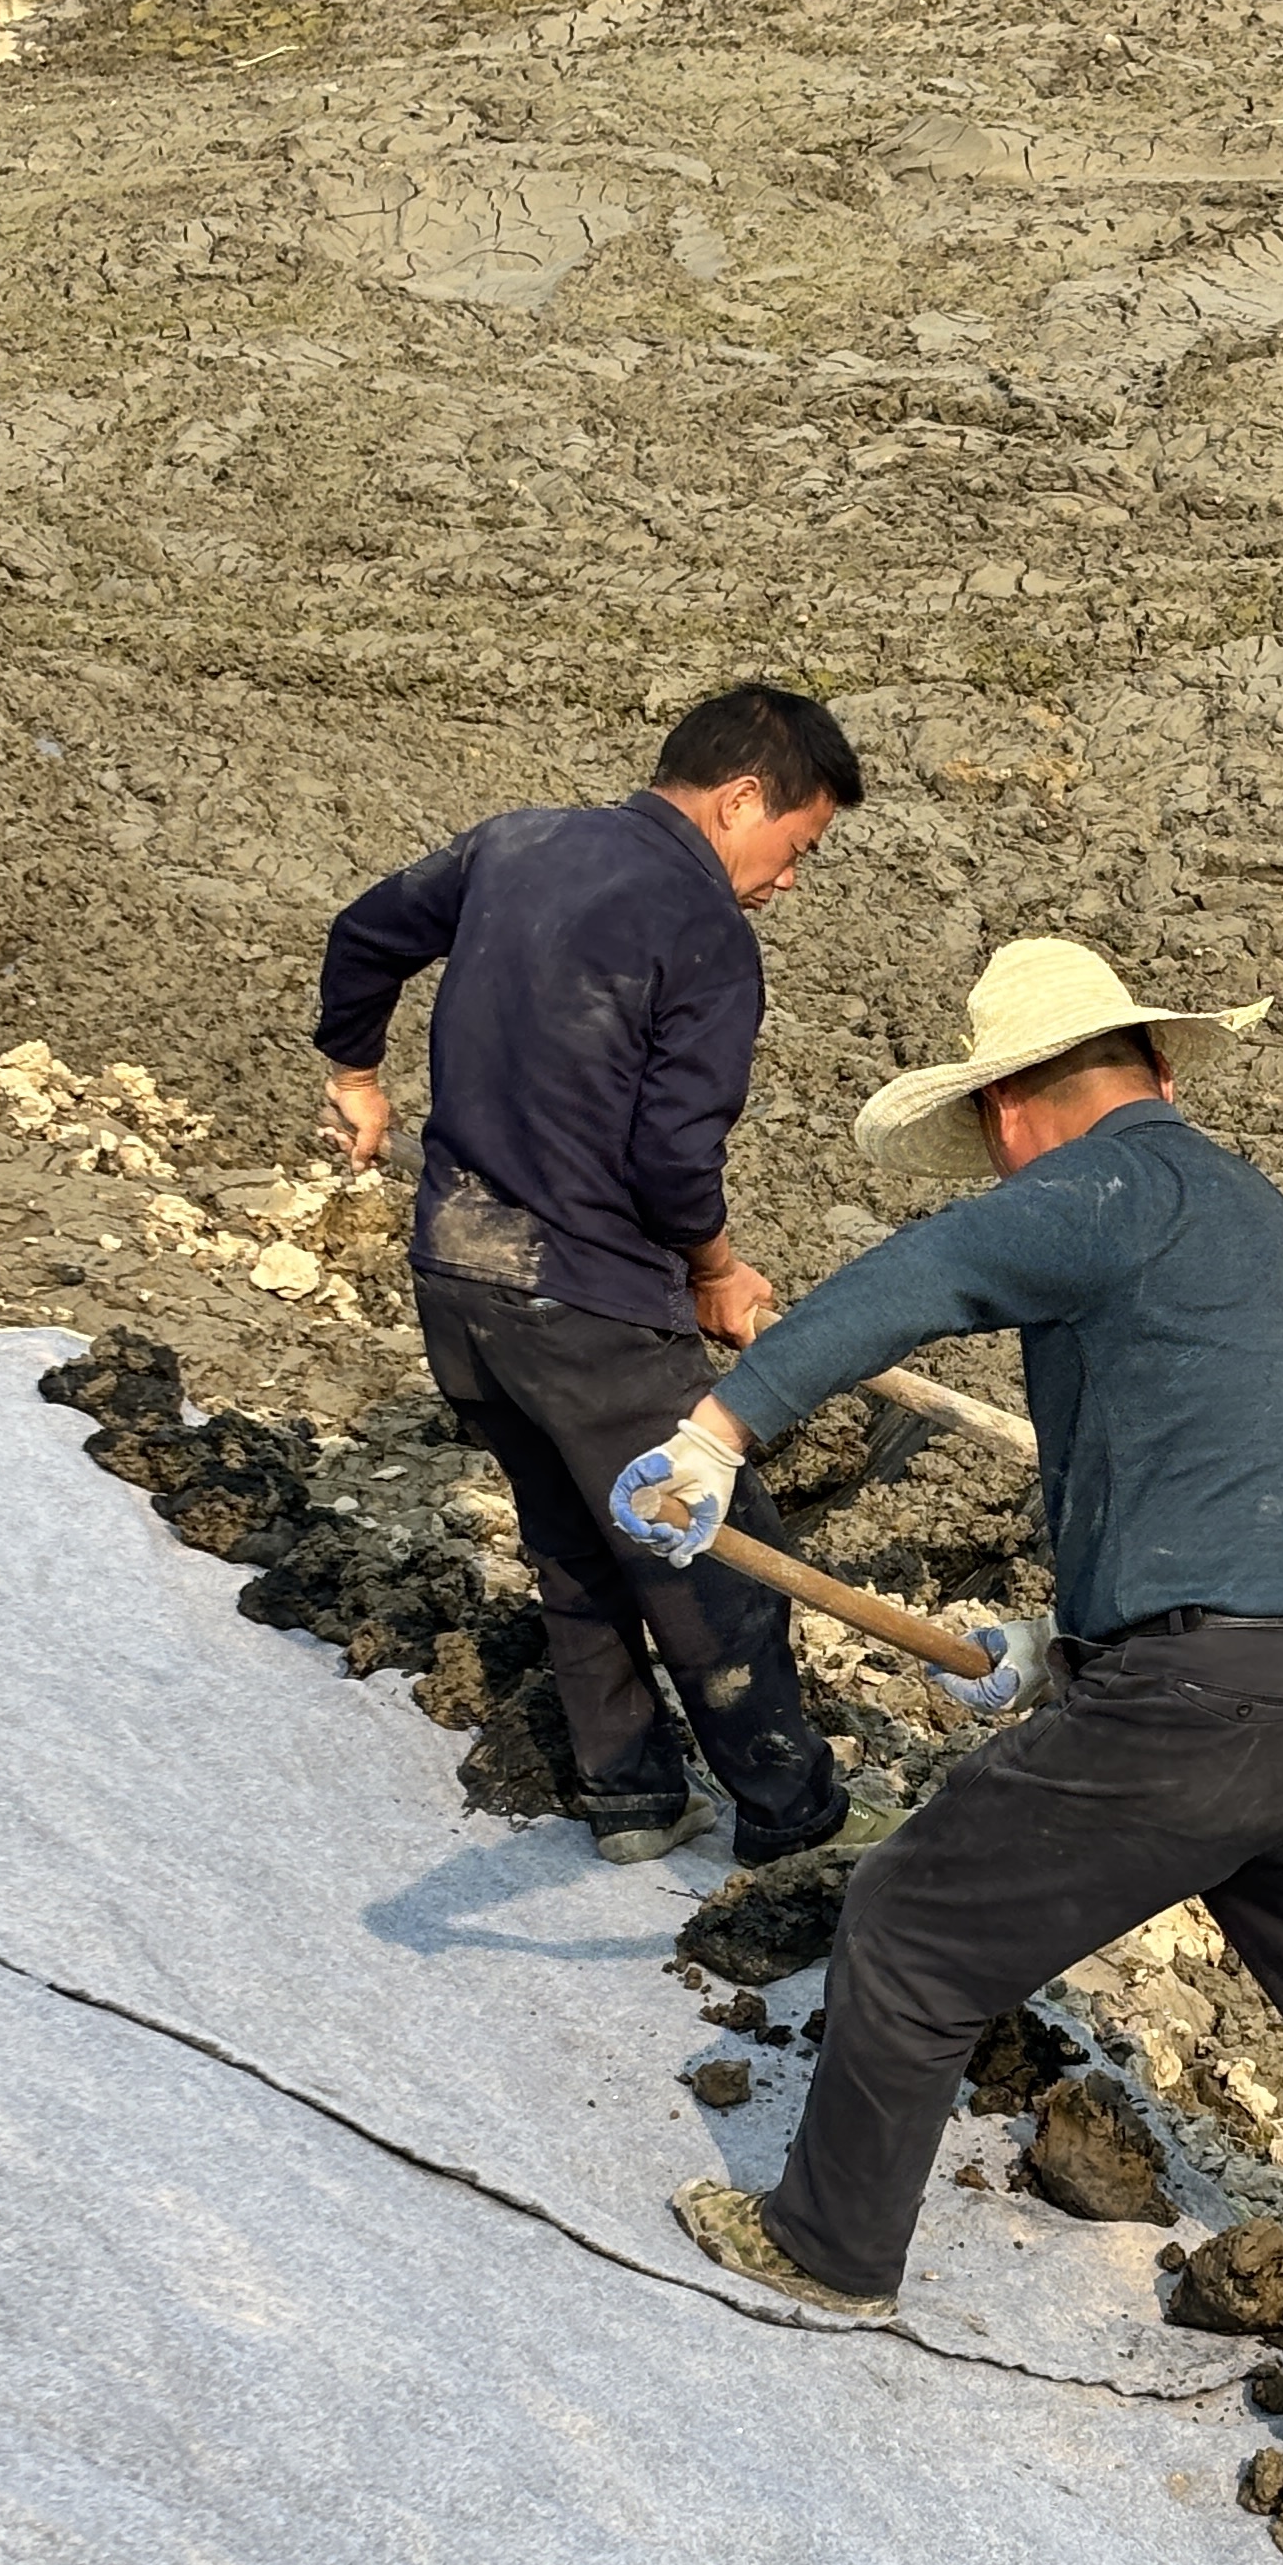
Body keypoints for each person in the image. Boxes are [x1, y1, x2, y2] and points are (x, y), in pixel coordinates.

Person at [607, 935, 1283, 2445]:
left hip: (1207, 1705)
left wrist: (718, 1433)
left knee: (914, 1925)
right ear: (1163, 1066)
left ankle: (828, 2250)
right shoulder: (1240, 1206)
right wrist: (1064, 1647)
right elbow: (1208, 1476)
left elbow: (918, 1277)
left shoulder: (1103, 1185)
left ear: (1007, 1110)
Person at [313, 681, 869, 1870]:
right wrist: (716, 1268)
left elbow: (364, 934)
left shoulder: (515, 844)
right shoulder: (705, 932)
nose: (788, 881)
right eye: (798, 847)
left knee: (574, 1536)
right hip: (588, 1298)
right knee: (703, 1545)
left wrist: (356, 1076)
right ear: (741, 800)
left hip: (457, 1277)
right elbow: (673, 1160)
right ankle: (798, 1821)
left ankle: (632, 1800)